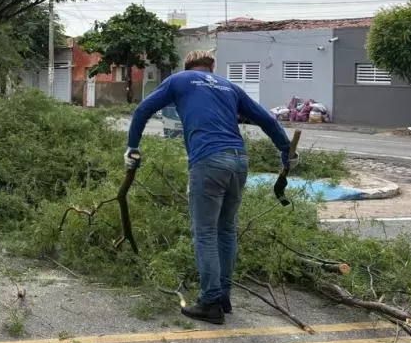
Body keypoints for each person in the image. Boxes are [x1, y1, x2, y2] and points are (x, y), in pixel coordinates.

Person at [124, 50, 297, 325]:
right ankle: (223, 297)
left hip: (209, 161)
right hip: (239, 161)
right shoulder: (229, 86)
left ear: (187, 66)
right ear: (211, 68)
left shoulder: (179, 80)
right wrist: (286, 150)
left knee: (204, 232)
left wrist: (132, 147)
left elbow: (143, 110)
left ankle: (210, 302)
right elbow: (266, 119)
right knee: (226, 230)